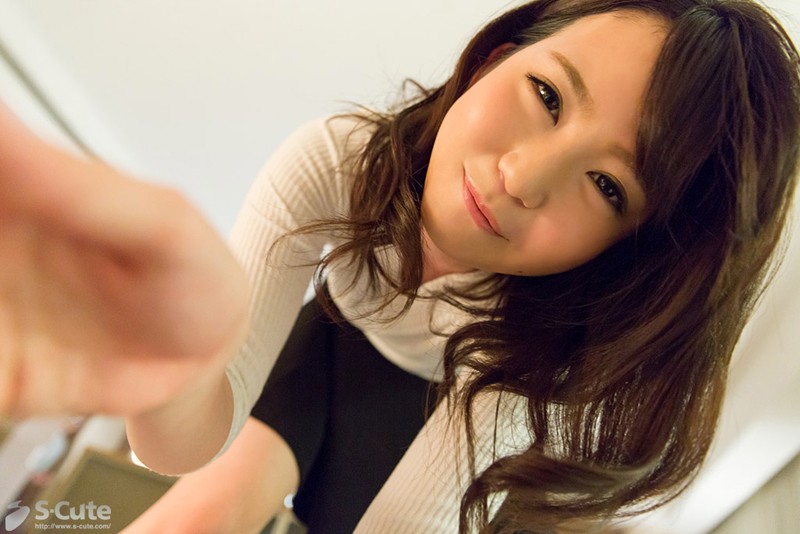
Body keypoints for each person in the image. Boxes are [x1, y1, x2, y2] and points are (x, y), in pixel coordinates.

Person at [3, 0, 798, 532]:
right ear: (493, 59)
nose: (522, 179)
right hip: (335, 336)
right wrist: (168, 356)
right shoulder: (339, 160)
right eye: (548, 96)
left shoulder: (539, 361)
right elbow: (176, 445)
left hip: (443, 399)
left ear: (624, 252)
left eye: (607, 186)